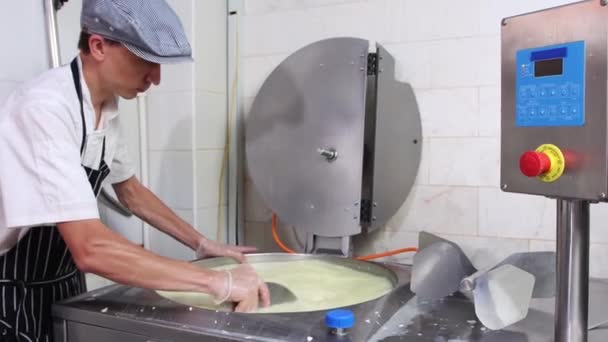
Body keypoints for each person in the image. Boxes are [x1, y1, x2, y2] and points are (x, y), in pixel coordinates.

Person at [0, 0, 270, 340]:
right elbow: (90, 247)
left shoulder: (105, 107)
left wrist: (200, 243)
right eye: (146, 60)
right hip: (14, 287)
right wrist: (218, 281)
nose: (155, 79)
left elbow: (130, 191)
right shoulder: (44, 108)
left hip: (64, 278)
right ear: (98, 46)